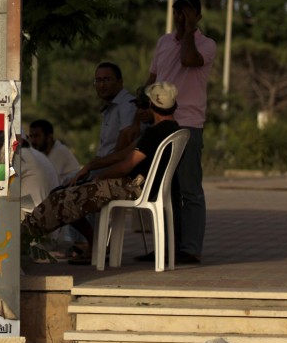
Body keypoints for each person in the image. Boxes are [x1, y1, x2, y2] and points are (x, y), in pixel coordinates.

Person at [21, 83, 181, 261]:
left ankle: (25, 236)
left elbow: (127, 164)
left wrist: (100, 177)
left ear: (151, 105)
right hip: (143, 185)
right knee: (65, 194)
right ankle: (87, 242)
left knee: (63, 197)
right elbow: (123, 154)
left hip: (134, 186)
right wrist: (90, 167)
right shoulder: (174, 129)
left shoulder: (155, 133)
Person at [143, 0, 216, 265]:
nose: (180, 17)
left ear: (198, 15)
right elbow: (152, 78)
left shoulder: (206, 45)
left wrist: (187, 31)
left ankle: (191, 248)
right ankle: (166, 246)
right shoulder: (163, 42)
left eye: (186, 12)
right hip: (160, 122)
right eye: (177, 12)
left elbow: (188, 59)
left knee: (189, 190)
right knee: (163, 188)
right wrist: (144, 101)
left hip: (188, 124)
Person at [94, 63, 138, 157]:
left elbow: (126, 138)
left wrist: (101, 165)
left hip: (114, 166)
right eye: (98, 80)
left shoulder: (127, 103)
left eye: (107, 80)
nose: (102, 85)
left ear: (120, 82)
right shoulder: (110, 106)